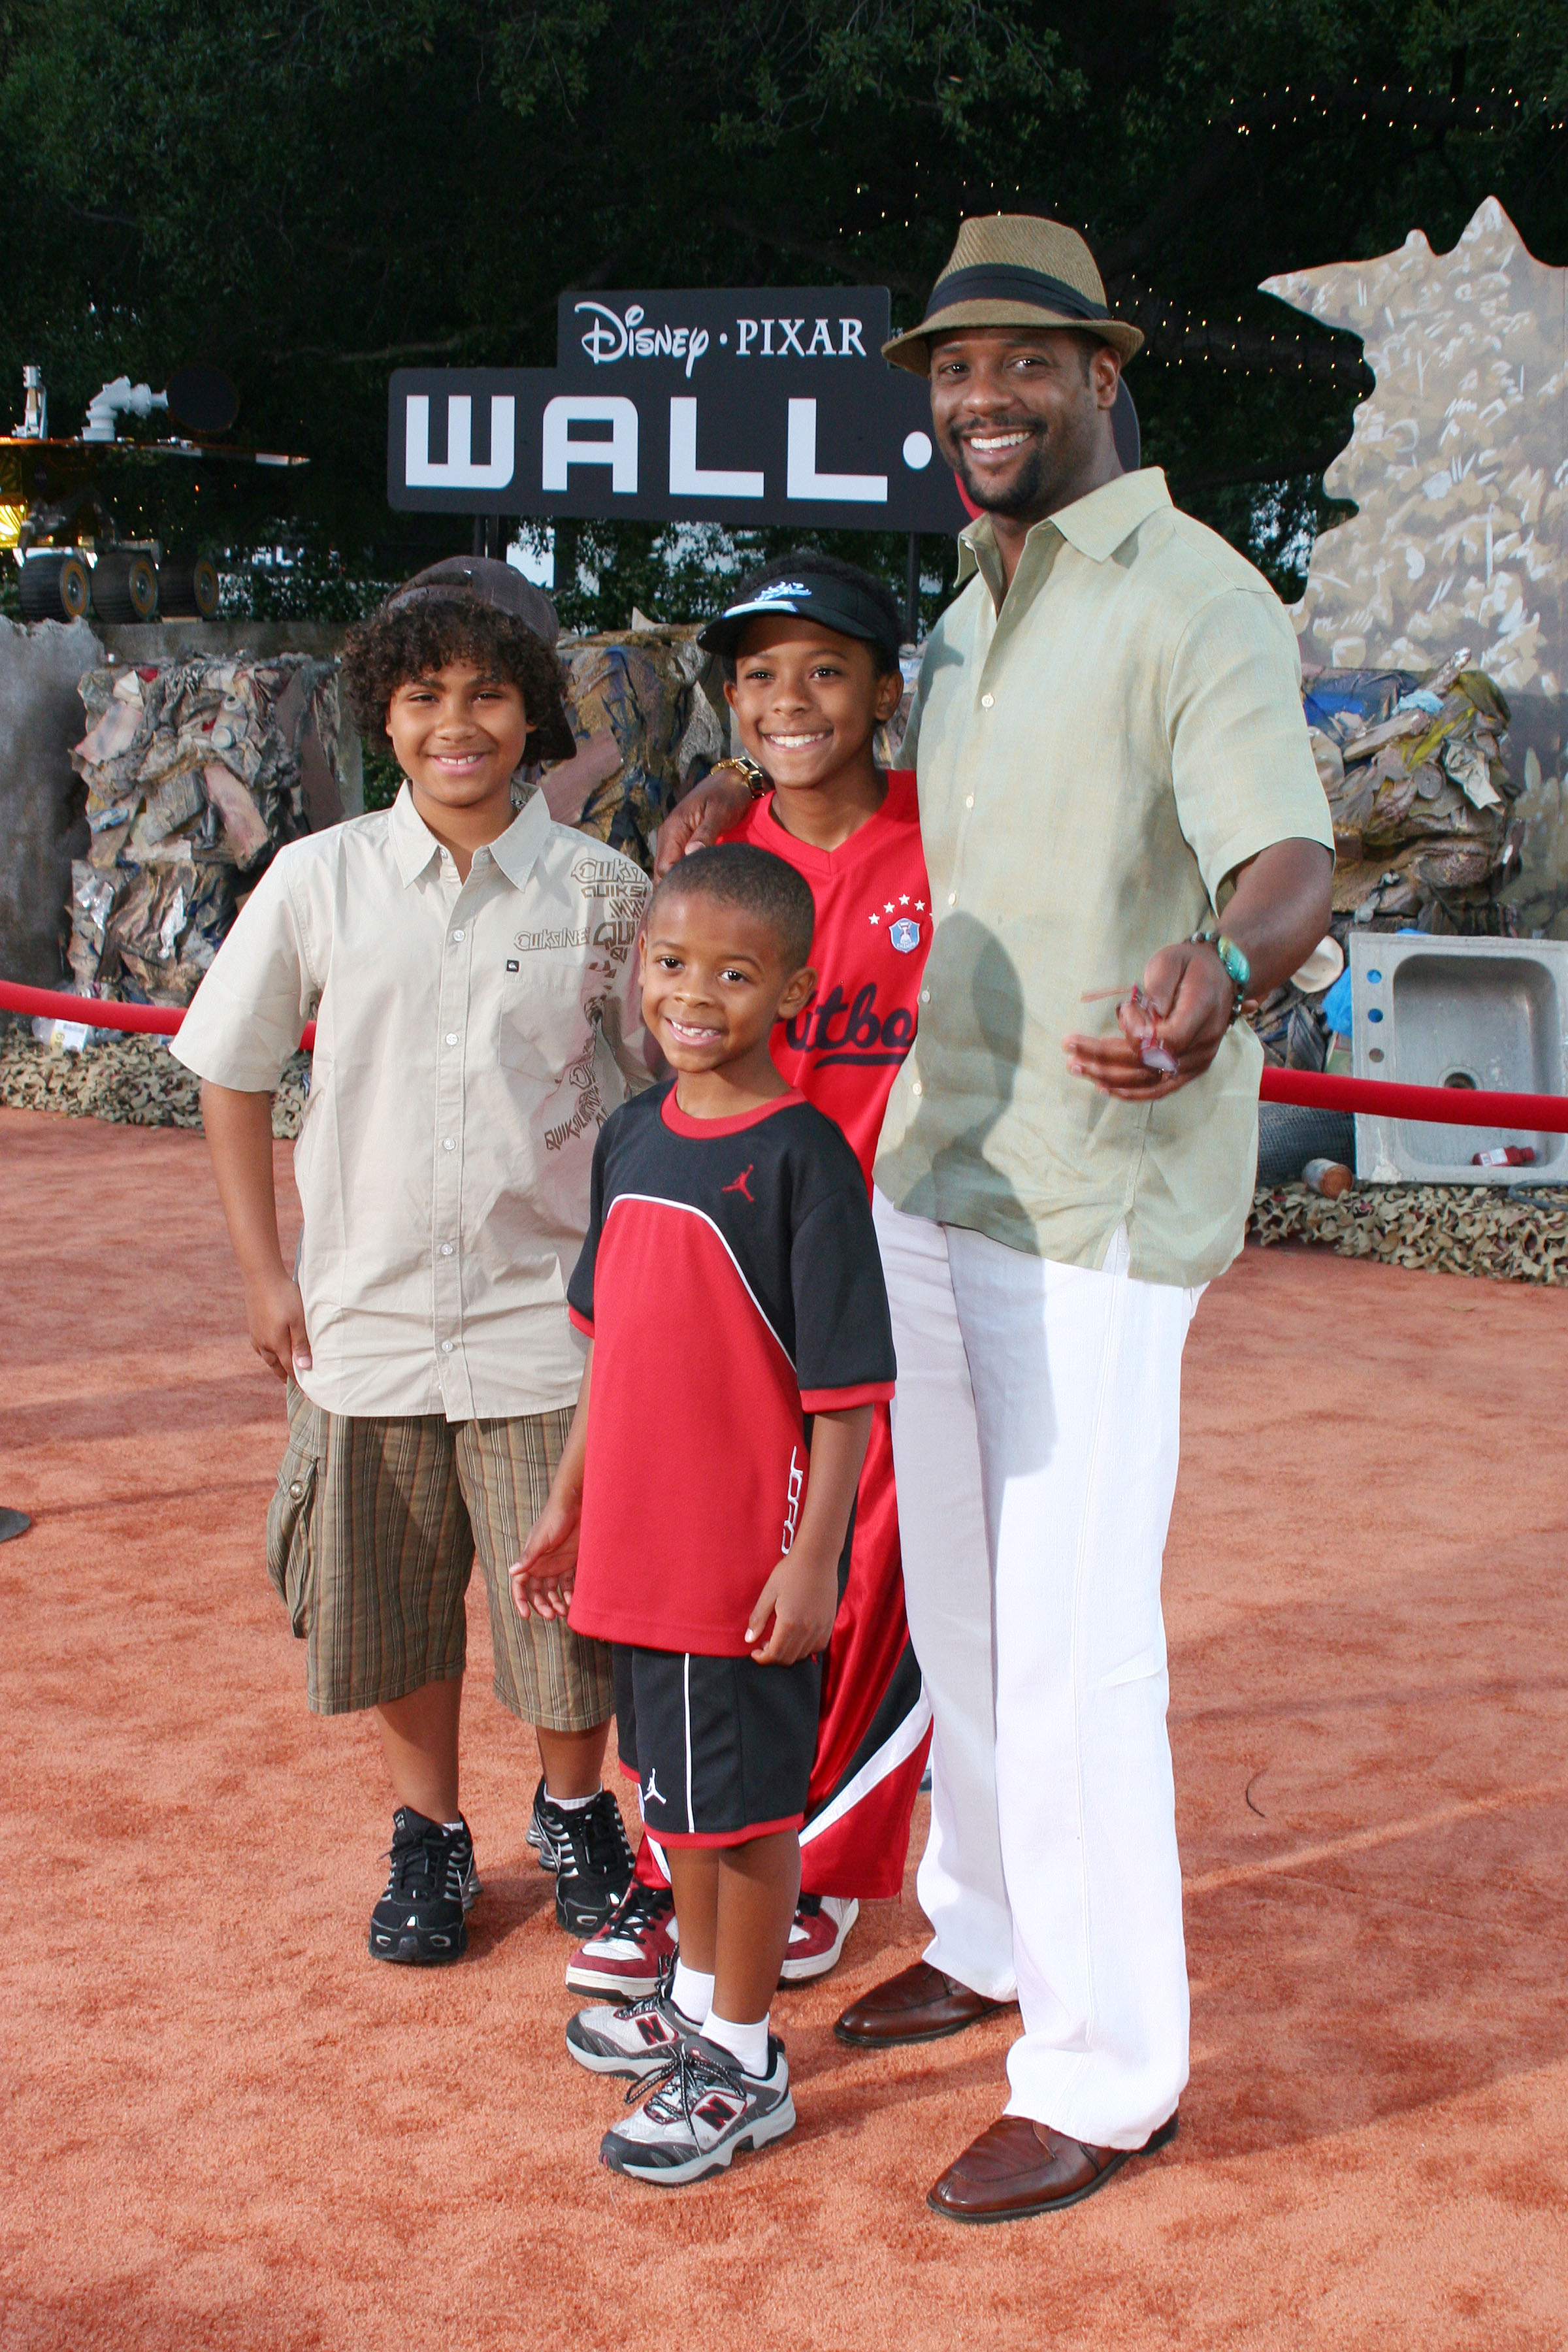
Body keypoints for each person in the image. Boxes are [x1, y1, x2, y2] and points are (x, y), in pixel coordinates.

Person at [657, 213, 1335, 2221]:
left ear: (1099, 374)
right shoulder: (970, 608)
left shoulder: (1197, 598)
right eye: (955, 369)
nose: (984, 398)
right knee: (955, 1611)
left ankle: (1113, 2070)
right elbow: (871, 798)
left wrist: (1225, 966)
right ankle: (987, 1926)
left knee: (1071, 1650)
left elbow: (1286, 849)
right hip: (931, 1184)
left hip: (1094, 1213)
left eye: (1024, 364)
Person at [174, 561, 646, 1966]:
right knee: (386, 1603)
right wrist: (268, 1277)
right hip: (361, 1323)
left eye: (490, 694)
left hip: (546, 1325)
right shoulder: (319, 881)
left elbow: (657, 1094)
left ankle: (574, 1815)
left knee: (565, 1604)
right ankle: (429, 1836)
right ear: (384, 714)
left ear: (533, 715)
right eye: (426, 694)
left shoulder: (601, 890)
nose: (459, 723)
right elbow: (232, 1071)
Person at [564, 552, 933, 2003]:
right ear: (728, 702)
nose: (792, 700)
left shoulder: (939, 841)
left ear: (888, 692)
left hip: (871, 1258)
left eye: (828, 670)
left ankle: (819, 1872)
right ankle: (687, 1874)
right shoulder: (718, 859)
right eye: (761, 676)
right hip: (719, 1273)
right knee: (691, 1579)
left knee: (844, 1574)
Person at [511, 843, 894, 2185]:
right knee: (679, 1805)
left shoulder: (804, 1162)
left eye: (736, 974)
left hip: (740, 1565)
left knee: (741, 1819)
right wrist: (567, 1508)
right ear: (637, 974)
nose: (695, 995)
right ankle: (694, 2007)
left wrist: (814, 1559)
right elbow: (606, 1351)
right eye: (672, 965)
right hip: (637, 1546)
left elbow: (846, 1397)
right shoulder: (631, 1134)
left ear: (792, 990)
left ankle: (741, 2058)